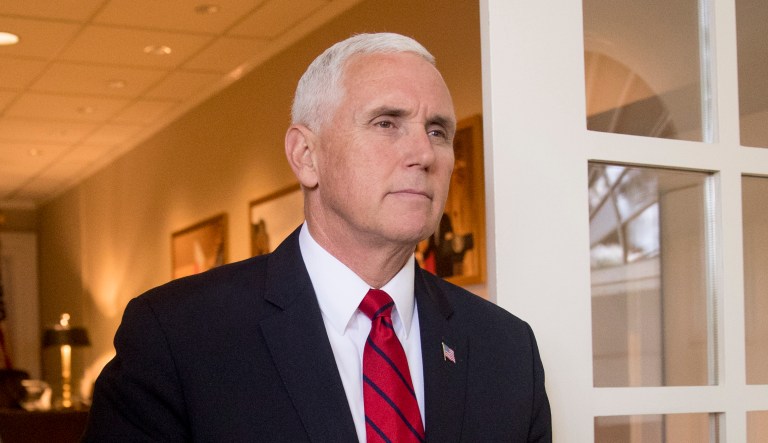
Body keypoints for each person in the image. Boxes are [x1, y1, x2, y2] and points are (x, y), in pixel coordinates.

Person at [82, 32, 551, 442]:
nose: (423, 153)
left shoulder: (507, 350)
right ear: (306, 155)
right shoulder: (178, 335)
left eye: (438, 131)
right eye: (387, 123)